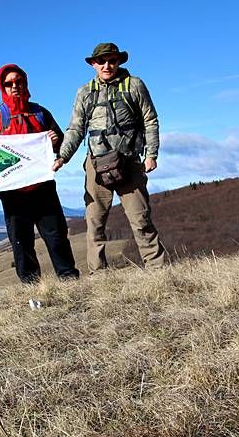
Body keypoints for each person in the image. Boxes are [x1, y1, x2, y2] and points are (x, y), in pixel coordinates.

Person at [53, 43, 166, 272]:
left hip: (130, 162)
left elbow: (150, 120)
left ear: (119, 62)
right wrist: (62, 157)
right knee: (94, 222)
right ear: (93, 64)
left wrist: (151, 154)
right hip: (97, 164)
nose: (107, 65)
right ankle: (98, 276)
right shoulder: (84, 92)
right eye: (102, 61)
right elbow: (75, 129)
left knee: (141, 219)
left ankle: (158, 272)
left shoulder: (134, 85)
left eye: (112, 60)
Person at [0, 64, 79, 283]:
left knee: (56, 237)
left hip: (43, 188)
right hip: (12, 193)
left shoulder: (40, 112)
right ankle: (32, 288)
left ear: (25, 83)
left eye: (18, 82)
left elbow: (60, 143)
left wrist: (55, 142)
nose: (14, 86)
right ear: (2, 86)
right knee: (21, 242)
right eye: (9, 83)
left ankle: (69, 280)